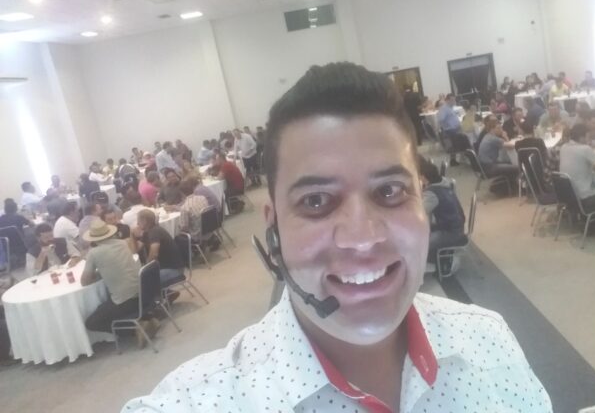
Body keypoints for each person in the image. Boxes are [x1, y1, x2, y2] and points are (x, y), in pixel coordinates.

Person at [123, 62, 551, 412]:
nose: (362, 238)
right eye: (315, 201)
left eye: (390, 191)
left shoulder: (490, 341)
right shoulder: (200, 401)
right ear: (274, 229)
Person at [82, 219, 158, 345]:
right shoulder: (123, 243)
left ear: (93, 239)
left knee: (91, 322)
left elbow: (85, 281)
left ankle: (135, 329)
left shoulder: (94, 253)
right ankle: (147, 319)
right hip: (144, 293)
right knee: (106, 305)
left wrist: (96, 274)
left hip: (126, 300)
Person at [418, 156, 466, 275]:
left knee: (421, 242)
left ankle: (431, 265)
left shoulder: (432, 194)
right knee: (425, 231)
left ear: (423, 177)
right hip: (455, 225)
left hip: (451, 232)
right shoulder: (444, 182)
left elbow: (419, 213)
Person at [559, 123, 595, 210]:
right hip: (585, 197)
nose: (589, 139)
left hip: (569, 197)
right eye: (588, 137)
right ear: (582, 137)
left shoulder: (563, 147)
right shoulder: (585, 149)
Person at [128, 209, 185, 286]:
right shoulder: (147, 232)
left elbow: (154, 254)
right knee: (142, 278)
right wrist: (132, 236)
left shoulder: (155, 232)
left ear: (144, 221)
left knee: (142, 282)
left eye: (138, 220)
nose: (137, 223)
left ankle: (161, 293)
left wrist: (145, 268)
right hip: (165, 268)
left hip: (174, 270)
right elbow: (135, 251)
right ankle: (164, 292)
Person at [478, 116, 519, 187]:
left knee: (508, 162)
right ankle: (511, 186)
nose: (501, 130)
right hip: (490, 167)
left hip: (484, 166)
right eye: (499, 128)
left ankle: (508, 185)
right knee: (517, 167)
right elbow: (511, 146)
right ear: (492, 129)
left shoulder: (487, 136)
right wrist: (505, 136)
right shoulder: (493, 139)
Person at [437, 93, 471, 166]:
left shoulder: (450, 107)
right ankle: (469, 156)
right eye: (452, 100)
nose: (454, 101)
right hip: (451, 131)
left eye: (454, 100)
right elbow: (440, 119)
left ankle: (461, 157)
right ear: (447, 100)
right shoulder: (444, 108)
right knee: (466, 138)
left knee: (468, 134)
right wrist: (448, 126)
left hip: (454, 129)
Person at [174, 178, 211, 243]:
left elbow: (184, 227)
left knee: (176, 237)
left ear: (182, 194)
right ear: (193, 189)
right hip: (210, 228)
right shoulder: (202, 198)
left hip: (197, 235)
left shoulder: (185, 207)